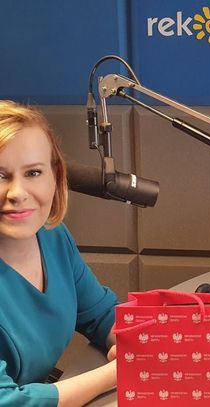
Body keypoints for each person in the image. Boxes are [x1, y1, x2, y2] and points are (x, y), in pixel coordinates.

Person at [0, 100, 118, 406]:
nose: (17, 193)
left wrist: (138, 343)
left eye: (33, 172)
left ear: (56, 176)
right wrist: (116, 372)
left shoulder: (53, 237)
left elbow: (101, 314)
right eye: (0, 176)